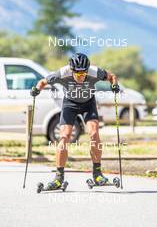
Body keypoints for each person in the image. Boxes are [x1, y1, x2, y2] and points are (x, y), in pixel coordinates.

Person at [31, 53, 120, 190]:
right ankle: (59, 178)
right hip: (70, 104)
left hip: (88, 104)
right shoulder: (62, 73)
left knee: (94, 133)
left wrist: (114, 85)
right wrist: (36, 89)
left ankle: (97, 174)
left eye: (83, 74)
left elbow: (112, 76)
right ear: (71, 70)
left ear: (87, 70)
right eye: (77, 74)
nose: (80, 76)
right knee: (64, 137)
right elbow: (43, 81)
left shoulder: (94, 72)